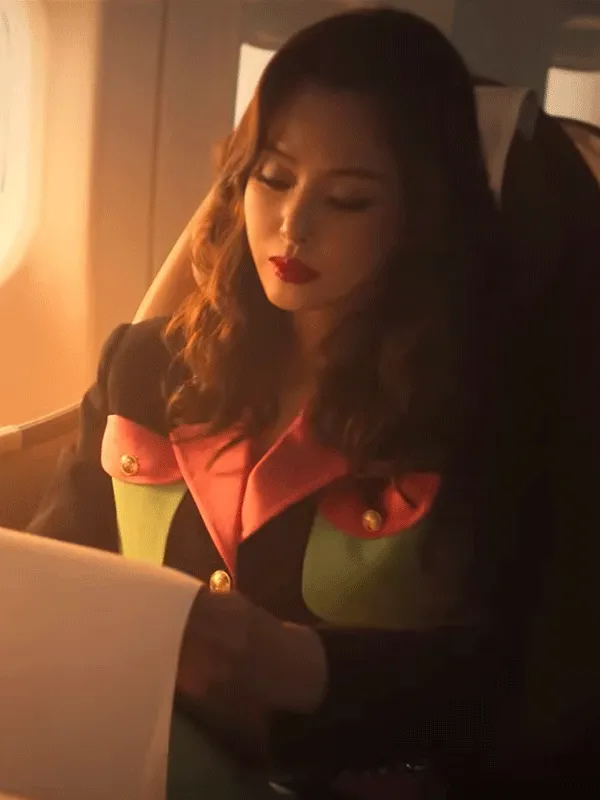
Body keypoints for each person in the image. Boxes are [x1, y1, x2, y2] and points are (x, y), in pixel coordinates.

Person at [28, 7, 523, 797]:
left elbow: (493, 681)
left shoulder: (471, 412)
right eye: (275, 178)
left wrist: (299, 664)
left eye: (348, 200)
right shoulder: (147, 365)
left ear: (420, 218)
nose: (292, 226)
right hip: (138, 754)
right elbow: (53, 567)